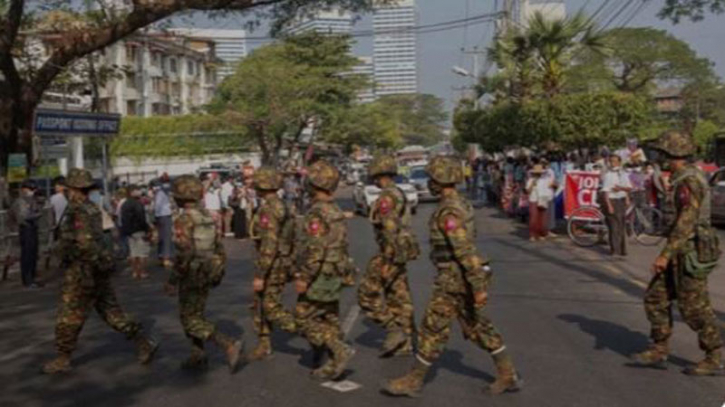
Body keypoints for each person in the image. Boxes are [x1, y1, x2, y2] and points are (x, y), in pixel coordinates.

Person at [383, 156, 522, 398]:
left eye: (432, 178)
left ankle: (414, 381)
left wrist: (478, 286)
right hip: (460, 278)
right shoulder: (460, 204)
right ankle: (507, 374)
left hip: (454, 279)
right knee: (479, 327)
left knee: (432, 328)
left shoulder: (449, 211)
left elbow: (464, 250)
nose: (429, 183)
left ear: (440, 180)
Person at [42, 168, 157, 374]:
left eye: (68, 187)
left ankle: (63, 357)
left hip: (82, 271)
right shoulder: (91, 208)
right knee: (112, 313)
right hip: (96, 269)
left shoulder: (77, 210)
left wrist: (61, 251)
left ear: (74, 188)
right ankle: (143, 341)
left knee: (68, 316)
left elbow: (84, 243)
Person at [631, 131, 724, 376]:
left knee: (694, 308)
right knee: (655, 298)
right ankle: (659, 348)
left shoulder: (689, 181)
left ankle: (714, 354)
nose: (658, 157)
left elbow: (686, 221)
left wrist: (665, 255)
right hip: (678, 249)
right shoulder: (680, 177)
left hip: (690, 252)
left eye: (662, 153)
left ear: (672, 154)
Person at [164, 175, 243, 373]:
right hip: (207, 270)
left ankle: (228, 344)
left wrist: (173, 279)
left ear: (180, 196)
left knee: (189, 319)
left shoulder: (184, 219)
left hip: (192, 272)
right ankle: (197, 354)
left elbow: (185, 252)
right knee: (196, 313)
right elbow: (218, 246)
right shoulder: (207, 216)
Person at [294, 159, 356, 381]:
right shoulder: (335, 209)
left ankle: (339, 351)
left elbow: (316, 249)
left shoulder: (317, 213)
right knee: (329, 317)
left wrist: (304, 277)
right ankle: (331, 359)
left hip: (320, 274)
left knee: (303, 318)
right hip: (335, 270)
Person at [358, 155, 420, 358]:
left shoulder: (387, 197)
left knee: (366, 295)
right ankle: (406, 342)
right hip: (400, 252)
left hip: (390, 252)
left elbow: (389, 228)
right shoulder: (398, 192)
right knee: (399, 297)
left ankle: (395, 330)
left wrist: (387, 259)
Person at [247, 167, 298, 361]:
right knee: (260, 304)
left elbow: (269, 243)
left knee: (270, 307)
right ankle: (264, 343)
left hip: (272, 264)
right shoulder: (283, 205)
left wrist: (260, 274)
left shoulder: (269, 208)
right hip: (281, 261)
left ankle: (314, 333)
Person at [12, 180, 42, 288]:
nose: (32, 192)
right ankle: (27, 279)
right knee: (27, 255)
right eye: (31, 189)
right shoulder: (21, 201)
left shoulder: (31, 200)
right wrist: (36, 214)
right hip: (26, 229)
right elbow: (24, 216)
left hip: (32, 228)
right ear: (24, 189)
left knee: (33, 254)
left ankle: (32, 278)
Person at [602, 154, 632, 256]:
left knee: (621, 226)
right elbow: (606, 192)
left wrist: (626, 196)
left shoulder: (623, 174)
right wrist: (609, 205)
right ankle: (614, 249)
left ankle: (622, 249)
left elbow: (628, 188)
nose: (613, 163)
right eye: (611, 161)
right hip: (612, 200)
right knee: (613, 226)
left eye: (615, 161)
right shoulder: (608, 175)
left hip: (621, 201)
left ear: (619, 162)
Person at [121, 186, 151, 279]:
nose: (139, 192)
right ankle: (142, 272)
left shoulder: (124, 204)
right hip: (139, 230)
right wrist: (147, 229)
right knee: (142, 253)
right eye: (137, 190)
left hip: (129, 231)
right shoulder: (137, 204)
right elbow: (141, 218)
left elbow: (122, 219)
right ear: (132, 192)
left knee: (133, 253)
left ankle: (134, 272)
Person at [525, 165, 551, 242]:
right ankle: (533, 234)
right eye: (536, 173)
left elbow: (548, 189)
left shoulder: (544, 180)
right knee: (534, 218)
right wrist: (532, 184)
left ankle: (540, 234)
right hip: (533, 199)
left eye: (539, 173)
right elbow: (527, 191)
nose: (538, 174)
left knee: (542, 218)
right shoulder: (530, 180)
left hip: (542, 200)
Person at [153, 180, 174, 268]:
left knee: (162, 237)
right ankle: (166, 258)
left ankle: (161, 256)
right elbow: (158, 206)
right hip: (164, 216)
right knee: (166, 237)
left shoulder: (161, 192)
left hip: (161, 216)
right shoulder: (162, 193)